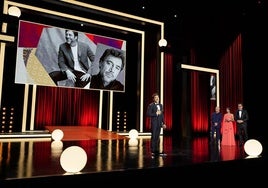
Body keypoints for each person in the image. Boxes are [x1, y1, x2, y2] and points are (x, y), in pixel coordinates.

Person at [146, 93, 166, 157]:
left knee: (157, 137)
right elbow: (148, 114)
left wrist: (164, 123)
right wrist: (155, 113)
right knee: (154, 136)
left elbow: (162, 115)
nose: (157, 98)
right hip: (154, 123)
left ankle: (156, 150)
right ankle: (152, 150)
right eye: (156, 97)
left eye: (158, 97)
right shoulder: (151, 105)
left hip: (159, 123)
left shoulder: (161, 105)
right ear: (153, 99)